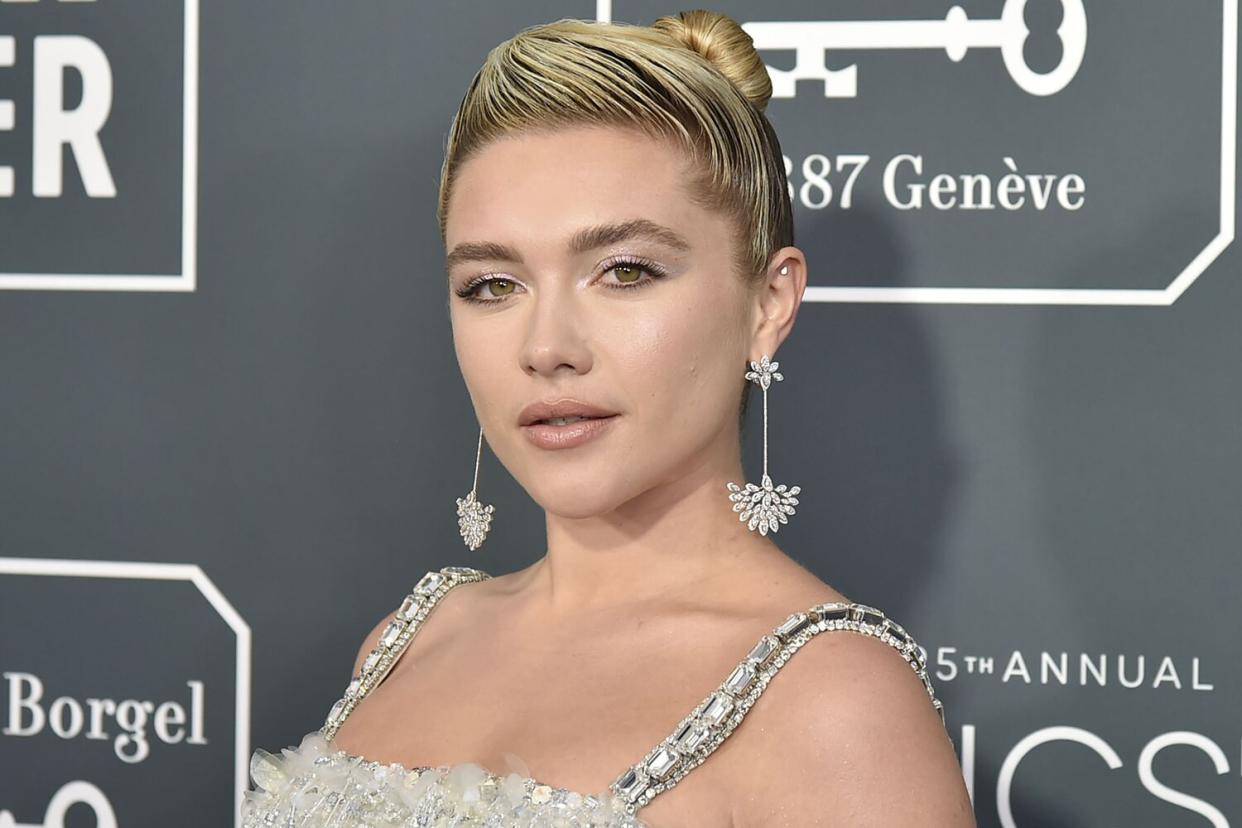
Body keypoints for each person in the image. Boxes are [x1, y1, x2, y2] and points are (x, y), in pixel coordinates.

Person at [241, 9, 976, 827]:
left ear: (769, 303)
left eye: (624, 272)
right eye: (492, 284)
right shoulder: (406, 641)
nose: (546, 347)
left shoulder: (835, 705)